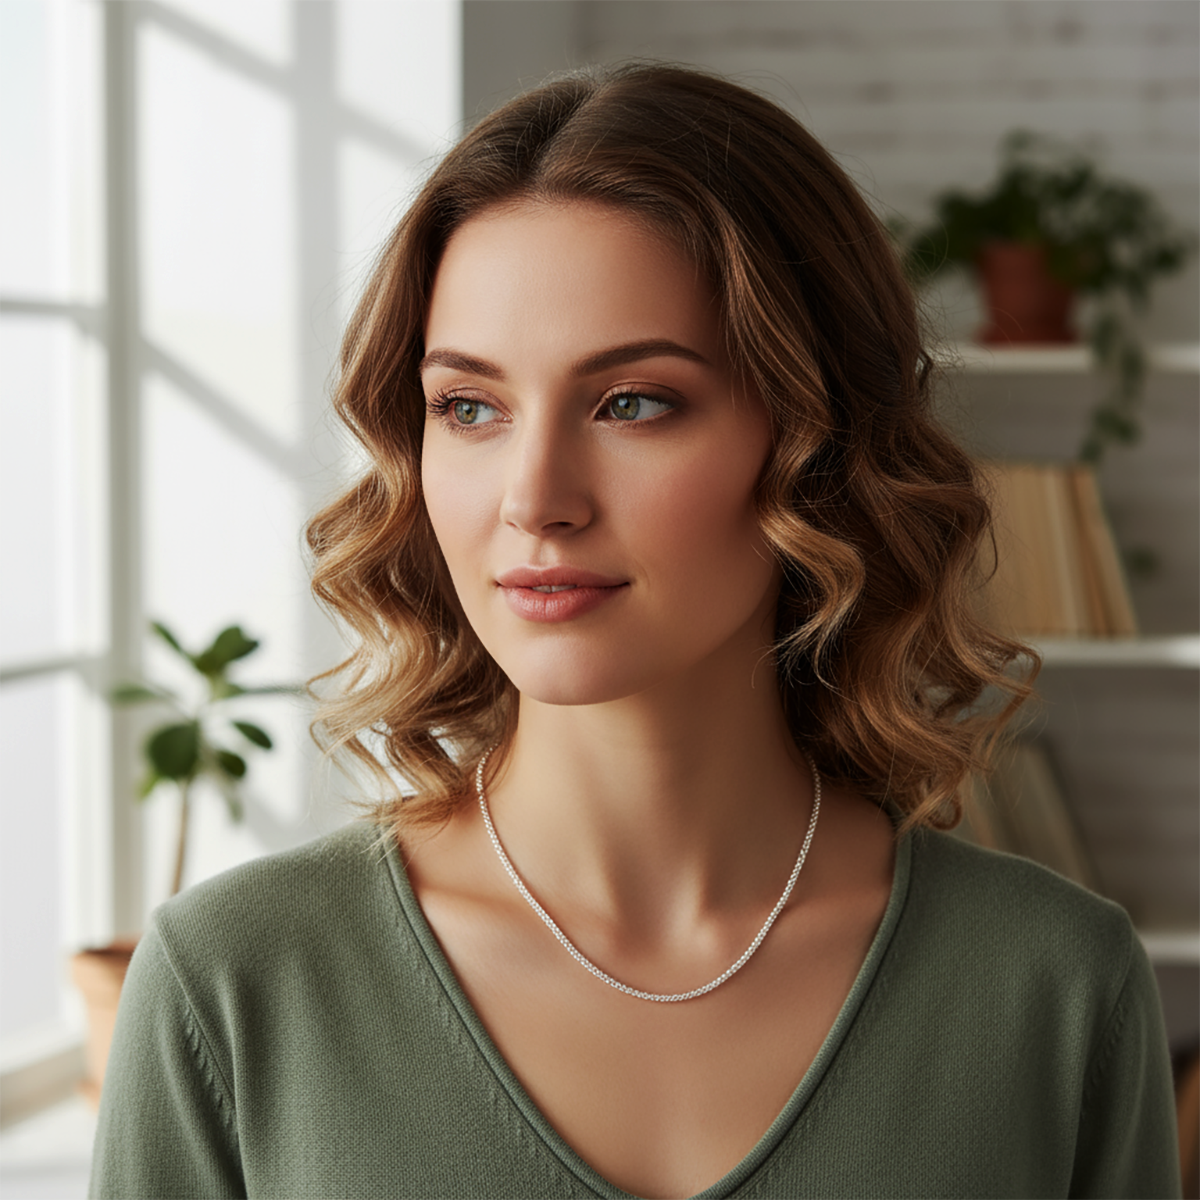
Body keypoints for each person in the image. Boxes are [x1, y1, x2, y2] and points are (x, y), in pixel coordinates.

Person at [90, 63, 1180, 1199]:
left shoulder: (1056, 989)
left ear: (818, 443)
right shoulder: (233, 989)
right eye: (469, 407)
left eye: (634, 403)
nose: (534, 499)